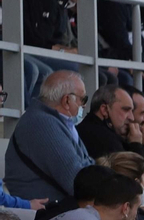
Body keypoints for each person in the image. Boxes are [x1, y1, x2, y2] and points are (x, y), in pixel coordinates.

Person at [4, 70, 92, 202]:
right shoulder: (42, 124)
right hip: (44, 214)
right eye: (83, 99)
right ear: (66, 100)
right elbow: (77, 182)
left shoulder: (60, 122)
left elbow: (87, 165)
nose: (84, 105)